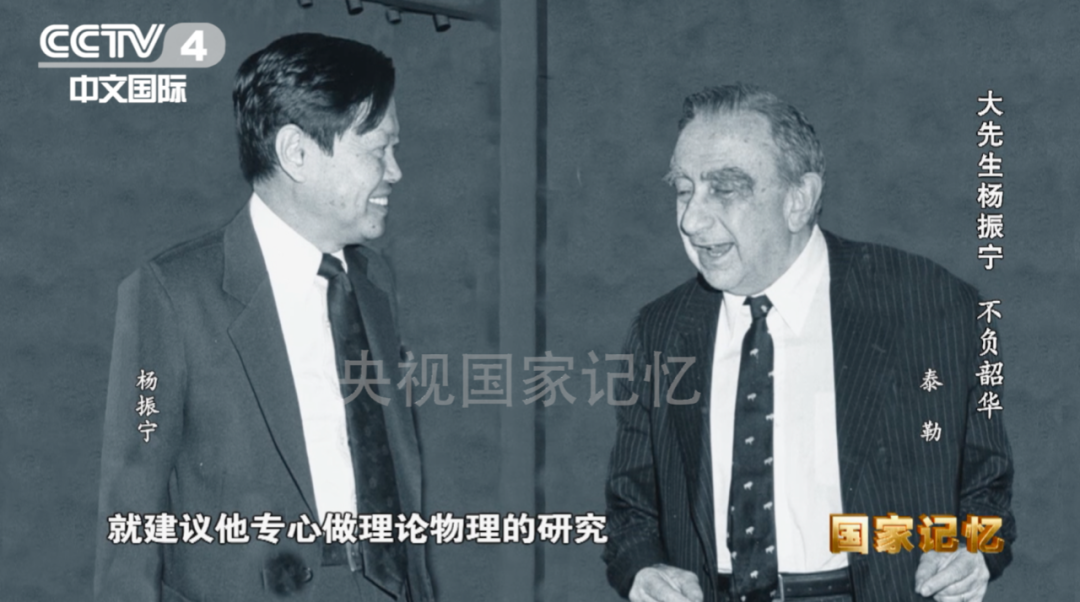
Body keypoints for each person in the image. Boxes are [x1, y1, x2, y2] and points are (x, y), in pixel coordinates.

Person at [603, 84, 1014, 602]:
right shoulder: (660, 331)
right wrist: (642, 570)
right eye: (684, 190)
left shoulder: (929, 304)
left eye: (723, 190)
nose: (691, 220)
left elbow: (987, 489)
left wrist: (973, 551)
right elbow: (631, 507)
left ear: (798, 200)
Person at [94, 33, 434, 602]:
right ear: (297, 153)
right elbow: (130, 519)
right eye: (378, 150)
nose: (395, 172)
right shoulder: (172, 294)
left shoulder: (374, 283)